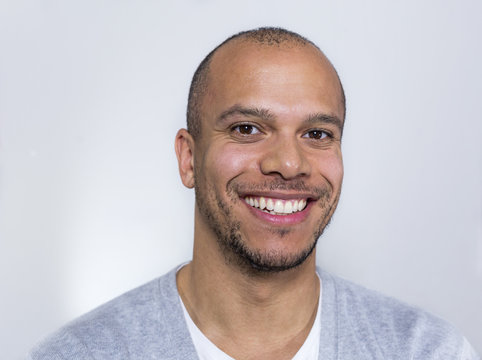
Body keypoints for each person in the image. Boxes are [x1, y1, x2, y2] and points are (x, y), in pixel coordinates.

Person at [28, 27, 479, 360]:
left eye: (317, 133)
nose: (288, 163)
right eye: (247, 129)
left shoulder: (427, 350)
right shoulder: (78, 355)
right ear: (188, 159)